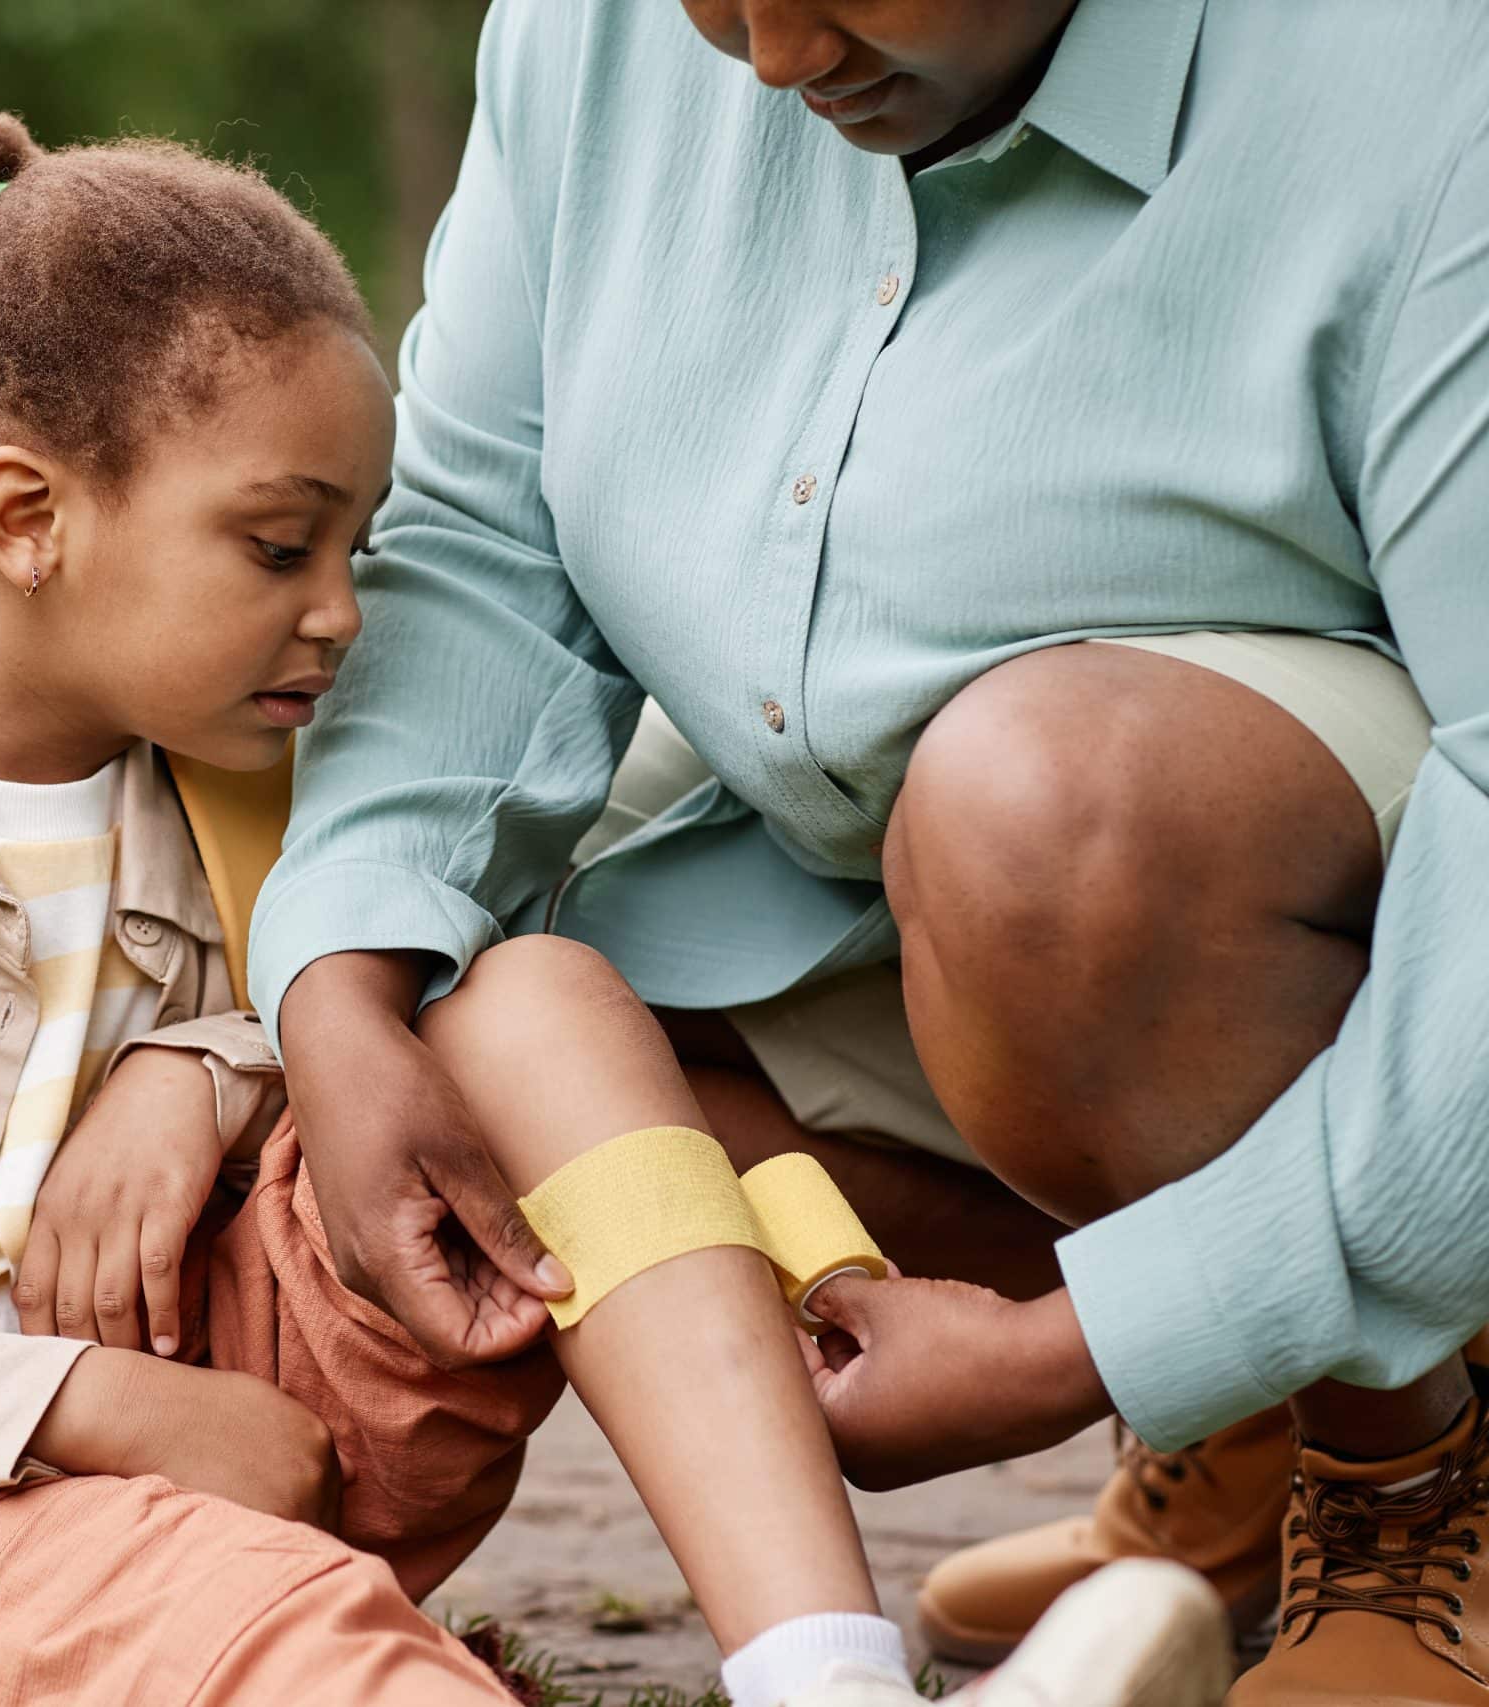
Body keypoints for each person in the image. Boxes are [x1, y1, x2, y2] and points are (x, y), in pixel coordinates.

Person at [0, 107, 1220, 1707]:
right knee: (279, 1640)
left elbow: (465, 1027)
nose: (342, 616)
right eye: (278, 549)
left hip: (270, 1413)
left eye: (361, 549)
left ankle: (821, 1672)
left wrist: (213, 1063)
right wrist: (96, 1408)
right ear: (25, 516)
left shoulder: (279, 788)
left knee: (526, 999)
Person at [252, 3, 1489, 1704]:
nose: (766, 56)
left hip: (1345, 938)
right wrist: (337, 988)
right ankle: (891, 1640)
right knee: (492, 1032)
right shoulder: (590, 34)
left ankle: (1414, 1469)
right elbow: (475, 547)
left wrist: (1089, 1347)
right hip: (862, 902)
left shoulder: (1427, 83)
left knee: (1047, 819)